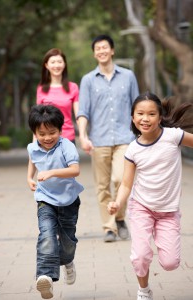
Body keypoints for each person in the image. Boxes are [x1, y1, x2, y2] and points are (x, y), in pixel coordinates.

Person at [107, 91, 193, 300]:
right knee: (140, 256)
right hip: (141, 208)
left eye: (151, 114)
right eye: (140, 114)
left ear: (160, 116)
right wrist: (118, 202)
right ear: (133, 117)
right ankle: (144, 291)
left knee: (171, 263)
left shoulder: (173, 136)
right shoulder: (133, 150)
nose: (145, 119)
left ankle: (159, 242)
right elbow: (127, 183)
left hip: (168, 211)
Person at [77, 34, 139, 242]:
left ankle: (120, 218)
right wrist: (83, 136)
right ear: (94, 53)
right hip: (99, 139)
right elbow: (83, 111)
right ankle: (109, 227)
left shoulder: (128, 76)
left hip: (125, 138)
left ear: (112, 50)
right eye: (97, 48)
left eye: (105, 47)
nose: (101, 51)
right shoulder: (87, 80)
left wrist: (140, 136)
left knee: (121, 179)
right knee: (102, 186)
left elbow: (137, 107)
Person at [27, 105, 84, 299]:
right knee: (47, 235)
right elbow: (33, 160)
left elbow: (75, 170)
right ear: (35, 133)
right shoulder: (33, 146)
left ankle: (67, 261)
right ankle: (45, 276)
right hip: (45, 199)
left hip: (68, 201)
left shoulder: (66, 146)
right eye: (41, 133)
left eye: (52, 132)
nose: (47, 137)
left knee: (68, 244)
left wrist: (51, 172)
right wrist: (29, 177)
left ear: (60, 130)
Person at [36, 48, 79, 143]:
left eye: (59, 62)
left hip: (68, 139)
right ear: (46, 65)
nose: (56, 65)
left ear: (64, 64)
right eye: (53, 62)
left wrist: (83, 136)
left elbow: (78, 116)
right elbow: (37, 119)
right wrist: (34, 146)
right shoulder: (41, 88)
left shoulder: (73, 87)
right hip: (47, 140)